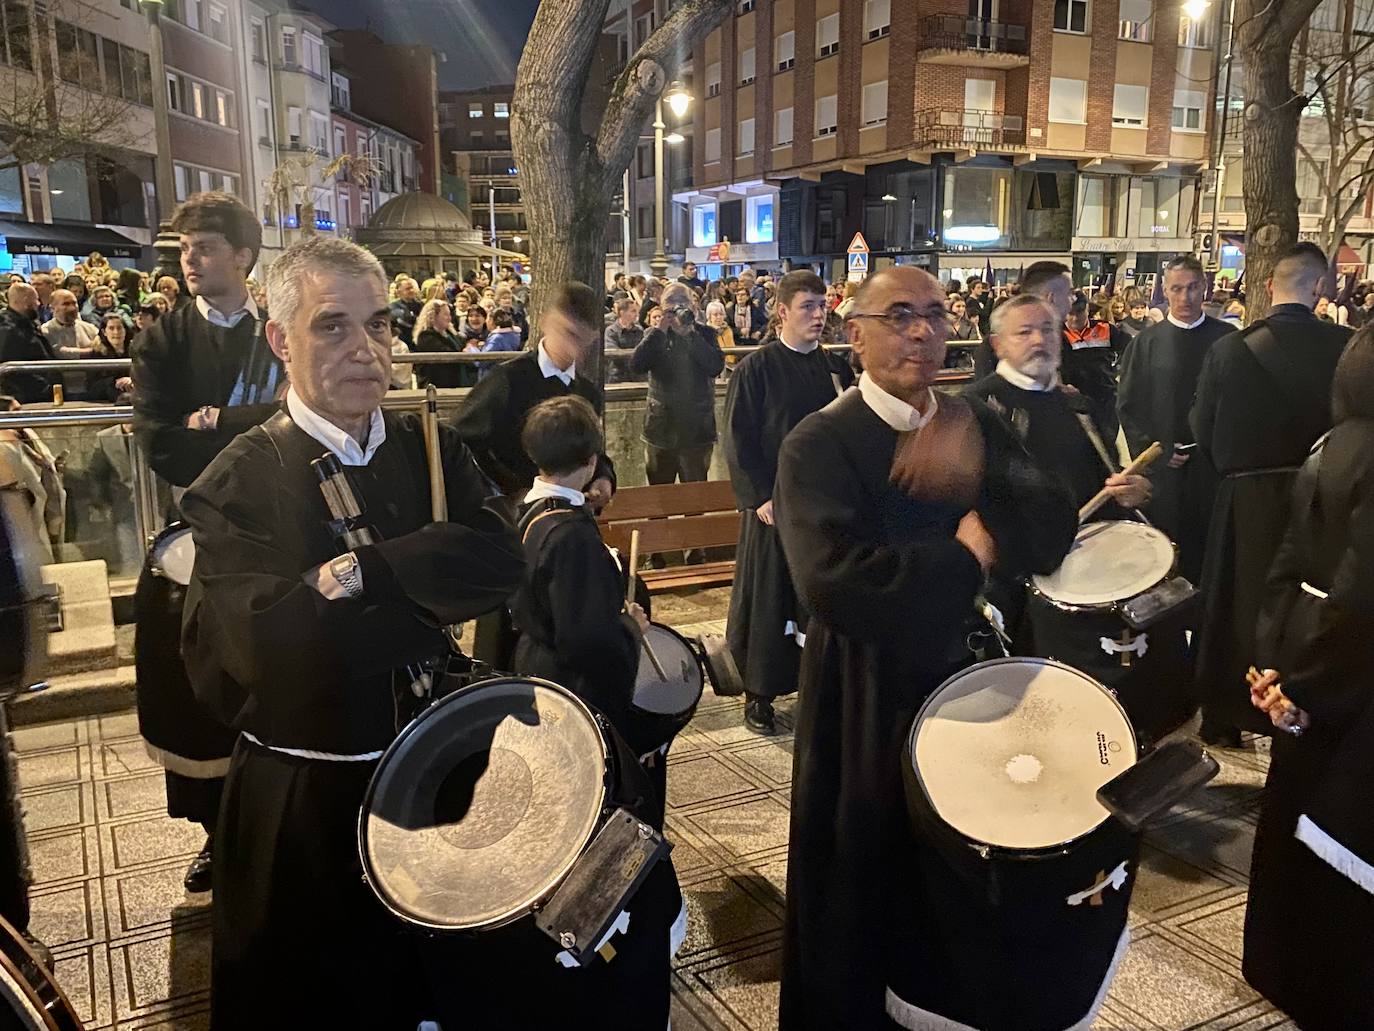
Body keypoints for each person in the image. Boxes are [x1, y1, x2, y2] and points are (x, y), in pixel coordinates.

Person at [178, 235, 523, 1029]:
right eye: (332, 325)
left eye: (379, 324)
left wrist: (362, 570)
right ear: (280, 338)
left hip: (435, 781)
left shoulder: (429, 446)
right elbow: (270, 651)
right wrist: (428, 585)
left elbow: (502, 561)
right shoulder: (237, 482)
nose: (365, 348)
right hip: (307, 805)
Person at [774, 266, 1077, 1030]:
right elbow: (833, 582)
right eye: (900, 315)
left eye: (936, 315)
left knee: (960, 884)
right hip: (867, 694)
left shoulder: (973, 422)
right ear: (855, 334)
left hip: (970, 677)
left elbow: (1051, 524)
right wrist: (963, 558)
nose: (921, 331)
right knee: (866, 887)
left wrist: (985, 485)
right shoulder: (820, 441)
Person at [131, 191, 286, 893]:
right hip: (201, 531)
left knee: (278, 679)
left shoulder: (278, 331)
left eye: (205, 248)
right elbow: (159, 441)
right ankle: (216, 832)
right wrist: (247, 426)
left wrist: (218, 418)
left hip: (280, 529)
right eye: (186, 249)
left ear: (243, 256)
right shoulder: (162, 340)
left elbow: (296, 415)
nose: (189, 260)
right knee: (200, 689)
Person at [1242, 332, 1374, 1029]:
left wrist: (1277, 663)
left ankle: (1275, 961)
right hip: (1352, 660)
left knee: (1292, 800)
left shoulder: (1328, 444)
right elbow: (1361, 591)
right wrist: (1311, 685)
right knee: (1342, 814)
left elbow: (1287, 558)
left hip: (1305, 635)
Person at [1190, 242, 1351, 747]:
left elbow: (1202, 427)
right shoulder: (1347, 346)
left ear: (1267, 285)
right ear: (1320, 287)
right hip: (1322, 496)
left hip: (1246, 497)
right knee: (1305, 606)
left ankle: (1225, 714)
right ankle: (1299, 708)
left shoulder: (1229, 348)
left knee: (1236, 605)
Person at [724, 270, 855, 734]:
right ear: (782, 311)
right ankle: (758, 692)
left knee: (817, 600)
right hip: (774, 508)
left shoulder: (835, 369)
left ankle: (818, 687)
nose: (819, 315)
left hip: (823, 508)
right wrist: (760, 495)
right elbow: (738, 438)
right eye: (808, 307)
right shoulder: (755, 370)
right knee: (769, 601)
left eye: (823, 306)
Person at [1118, 254, 1234, 583]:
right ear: (1165, 291)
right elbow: (1128, 405)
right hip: (1165, 472)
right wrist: (1155, 449)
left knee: (1212, 554)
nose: (1186, 297)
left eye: (1193, 287)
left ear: (1205, 287)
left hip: (1214, 469)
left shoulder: (1228, 340)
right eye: (1177, 289)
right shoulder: (1145, 343)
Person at [629, 284, 725, 520]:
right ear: (661, 309)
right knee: (658, 499)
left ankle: (694, 543)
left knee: (694, 500)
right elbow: (636, 365)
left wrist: (690, 335)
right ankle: (658, 543)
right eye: (671, 305)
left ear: (693, 306)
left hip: (697, 431)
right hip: (660, 429)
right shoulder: (654, 335)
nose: (678, 309)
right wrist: (659, 331)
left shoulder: (705, 333)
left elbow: (715, 366)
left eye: (683, 303)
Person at [0, 284, 57, 404]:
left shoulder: (27, 324)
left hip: (38, 393)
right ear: (26, 301)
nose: (39, 304)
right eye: (36, 300)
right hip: (26, 397)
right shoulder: (8, 330)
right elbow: (10, 370)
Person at [412, 297, 472, 389]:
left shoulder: (450, 333)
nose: (449, 318)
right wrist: (462, 353)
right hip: (437, 384)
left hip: (455, 382)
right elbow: (446, 354)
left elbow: (461, 345)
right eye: (445, 315)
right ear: (433, 316)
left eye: (449, 314)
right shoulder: (426, 336)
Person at [87, 313, 135, 404]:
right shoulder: (96, 354)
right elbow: (92, 386)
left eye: (119, 328)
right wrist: (115, 382)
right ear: (104, 332)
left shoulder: (136, 350)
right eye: (111, 328)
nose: (116, 332)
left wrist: (132, 380)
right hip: (106, 398)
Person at [40, 288, 100, 358]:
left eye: (74, 303)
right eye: (66, 304)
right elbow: (59, 353)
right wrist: (92, 351)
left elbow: (102, 347)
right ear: (52, 308)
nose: (72, 308)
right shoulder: (45, 331)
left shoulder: (90, 329)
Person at [727, 285, 766, 349]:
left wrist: (759, 332)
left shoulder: (754, 309)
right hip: (736, 342)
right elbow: (727, 327)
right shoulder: (730, 311)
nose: (740, 297)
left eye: (742, 295)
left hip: (752, 341)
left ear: (747, 297)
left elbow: (765, 323)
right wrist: (739, 331)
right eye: (738, 295)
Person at [388, 276, 422, 346]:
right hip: (404, 343)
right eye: (407, 289)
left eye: (412, 288)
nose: (411, 291)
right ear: (398, 292)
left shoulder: (421, 305)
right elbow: (406, 318)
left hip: (420, 341)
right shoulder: (393, 307)